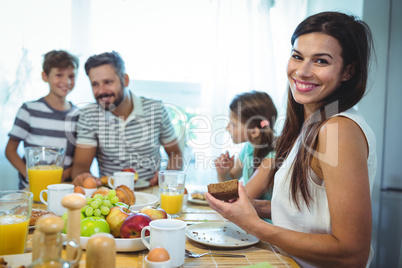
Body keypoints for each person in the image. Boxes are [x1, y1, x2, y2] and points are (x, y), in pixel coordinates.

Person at [205, 11, 377, 268]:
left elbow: (352, 253)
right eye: (297, 56)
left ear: (347, 72)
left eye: (321, 61)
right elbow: (313, 216)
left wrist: (253, 224)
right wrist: (258, 208)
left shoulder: (338, 129)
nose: (302, 71)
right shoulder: (311, 125)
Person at [71, 51, 183, 187]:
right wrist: (83, 176)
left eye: (108, 82)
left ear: (125, 80)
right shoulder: (89, 114)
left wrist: (167, 176)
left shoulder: (156, 109)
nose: (101, 91)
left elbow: (175, 154)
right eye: (95, 84)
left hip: (151, 192)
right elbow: (80, 165)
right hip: (111, 196)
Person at [5, 50, 80, 189]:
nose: (66, 81)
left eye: (71, 76)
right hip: (32, 189)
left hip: (62, 188)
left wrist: (66, 174)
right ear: (45, 76)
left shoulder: (77, 115)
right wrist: (29, 176)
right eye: (59, 75)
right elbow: (10, 150)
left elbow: (78, 156)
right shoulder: (29, 110)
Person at [214, 91, 277, 202]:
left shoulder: (271, 160)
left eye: (233, 124)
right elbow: (230, 184)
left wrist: (217, 194)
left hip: (262, 219)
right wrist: (223, 172)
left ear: (254, 132)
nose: (227, 128)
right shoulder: (250, 147)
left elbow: (240, 200)